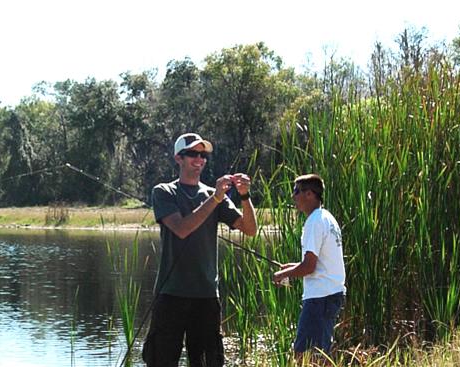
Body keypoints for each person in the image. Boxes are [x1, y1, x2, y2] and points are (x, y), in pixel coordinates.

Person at [142, 132, 258, 367]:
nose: (199, 159)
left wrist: (244, 196)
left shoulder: (214, 196)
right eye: (193, 154)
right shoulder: (164, 192)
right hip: (171, 293)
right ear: (178, 158)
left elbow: (249, 229)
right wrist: (215, 199)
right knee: (161, 360)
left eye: (202, 155)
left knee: (207, 362)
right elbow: (182, 229)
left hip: (205, 295)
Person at [272, 173, 345, 359]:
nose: (293, 197)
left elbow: (309, 267)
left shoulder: (313, 222)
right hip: (331, 293)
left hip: (320, 297)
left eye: (297, 191)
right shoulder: (326, 218)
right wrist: (293, 267)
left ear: (310, 194)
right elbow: (317, 263)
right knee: (322, 353)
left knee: (302, 353)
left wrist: (282, 274)